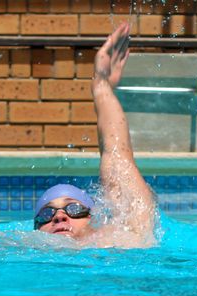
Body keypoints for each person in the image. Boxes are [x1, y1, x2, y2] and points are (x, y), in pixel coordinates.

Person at [33, 23, 159, 249]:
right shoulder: (17, 249)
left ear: (93, 218)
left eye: (74, 209)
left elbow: (117, 156)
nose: (59, 217)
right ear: (36, 229)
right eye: (46, 214)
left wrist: (101, 86)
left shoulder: (118, 241)